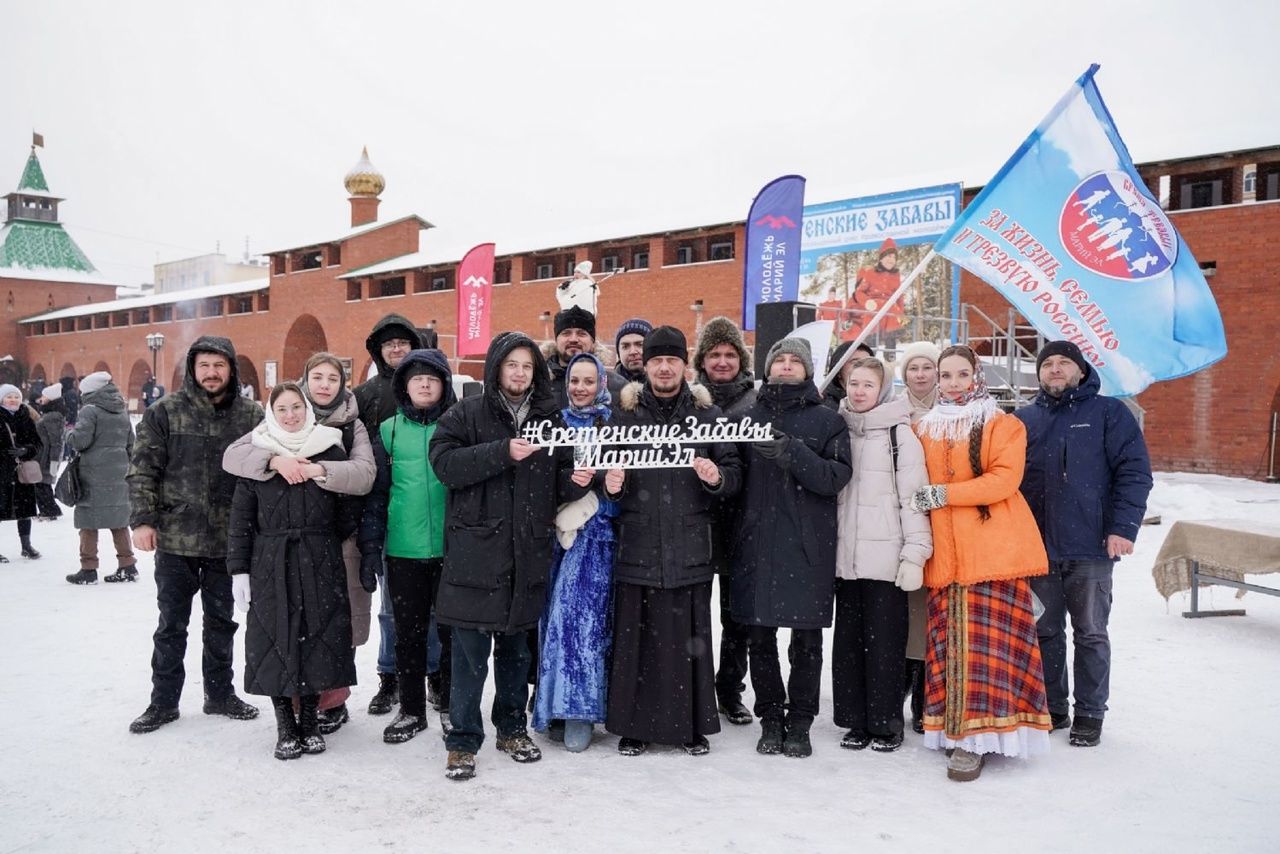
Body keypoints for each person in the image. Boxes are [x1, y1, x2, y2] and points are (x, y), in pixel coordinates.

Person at [429, 331, 587, 781]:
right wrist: (501, 452)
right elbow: (444, 465)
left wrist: (581, 481)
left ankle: (512, 728)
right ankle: (462, 741)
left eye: (527, 366)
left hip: (526, 554)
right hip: (475, 556)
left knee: (517, 654)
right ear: (497, 367)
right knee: (469, 658)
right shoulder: (466, 413)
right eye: (512, 364)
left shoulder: (551, 422)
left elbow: (559, 482)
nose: (519, 373)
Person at [910, 344, 1051, 781]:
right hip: (945, 556)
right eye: (945, 375)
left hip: (992, 552)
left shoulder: (1002, 424)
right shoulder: (924, 427)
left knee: (986, 654)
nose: (953, 383)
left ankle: (979, 739)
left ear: (977, 376)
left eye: (961, 374)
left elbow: (1003, 480)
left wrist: (943, 494)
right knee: (950, 648)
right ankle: (954, 729)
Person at [605, 326, 742, 756]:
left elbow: (734, 472)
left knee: (689, 640)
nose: (664, 368)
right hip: (639, 542)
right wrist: (612, 484)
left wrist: (717, 478)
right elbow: (605, 471)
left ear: (685, 365)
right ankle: (633, 725)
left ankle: (691, 725)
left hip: (689, 545)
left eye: (672, 360)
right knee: (636, 639)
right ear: (644, 366)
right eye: (656, 361)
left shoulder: (708, 416)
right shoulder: (623, 415)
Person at [222, 352, 376, 735]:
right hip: (273, 557)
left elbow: (360, 482)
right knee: (278, 632)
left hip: (324, 552)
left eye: (333, 378)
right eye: (317, 377)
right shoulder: (263, 440)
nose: (325, 384)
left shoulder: (343, 432)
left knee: (327, 631)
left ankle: (326, 706)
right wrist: (274, 461)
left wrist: (319, 474)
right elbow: (238, 487)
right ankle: (287, 716)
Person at [1015, 340, 1153, 748]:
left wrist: (1123, 527)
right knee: (1044, 630)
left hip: (1091, 546)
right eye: (1048, 364)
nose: (1055, 369)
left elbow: (1134, 473)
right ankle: (1053, 707)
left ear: (1080, 370)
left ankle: (1090, 713)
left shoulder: (1109, 413)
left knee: (1090, 632)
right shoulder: (1023, 419)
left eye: (1064, 362)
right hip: (1037, 548)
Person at [126, 336, 264, 734]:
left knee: (222, 622)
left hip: (228, 540)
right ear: (193, 369)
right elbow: (143, 468)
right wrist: (143, 520)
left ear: (231, 370)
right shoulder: (165, 412)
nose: (211, 373)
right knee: (171, 625)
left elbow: (264, 472)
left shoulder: (251, 415)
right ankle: (163, 701)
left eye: (219, 365)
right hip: (176, 538)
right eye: (204, 365)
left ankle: (219, 694)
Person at [731, 338, 851, 758]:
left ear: (807, 370)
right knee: (760, 639)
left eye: (793, 361)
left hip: (807, 546)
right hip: (756, 544)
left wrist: (792, 452)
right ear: (767, 369)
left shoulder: (829, 420)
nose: (785, 366)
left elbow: (834, 478)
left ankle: (800, 721)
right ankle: (769, 717)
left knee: (807, 643)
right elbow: (733, 480)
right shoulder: (746, 417)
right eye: (778, 360)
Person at [833, 357, 932, 753]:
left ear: (883, 390)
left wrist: (915, 554)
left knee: (885, 646)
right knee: (849, 645)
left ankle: (887, 723)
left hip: (887, 561)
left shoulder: (899, 435)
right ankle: (856, 720)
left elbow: (915, 500)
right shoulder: (837, 429)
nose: (859, 392)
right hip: (845, 560)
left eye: (868, 385)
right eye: (854, 383)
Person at [359, 349, 457, 745]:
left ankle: (450, 704)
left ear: (444, 385)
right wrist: (371, 547)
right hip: (403, 550)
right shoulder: (388, 431)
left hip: (453, 549)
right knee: (409, 634)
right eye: (417, 379)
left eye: (432, 379)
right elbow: (376, 495)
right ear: (404, 386)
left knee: (452, 633)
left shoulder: (458, 425)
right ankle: (412, 709)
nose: (425, 385)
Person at [533, 352, 618, 752]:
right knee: (552, 625)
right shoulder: (554, 423)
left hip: (595, 538)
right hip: (555, 539)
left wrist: (601, 491)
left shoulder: (614, 426)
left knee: (582, 626)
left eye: (588, 381)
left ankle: (579, 710)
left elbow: (623, 488)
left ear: (601, 383)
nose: (580, 388)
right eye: (574, 380)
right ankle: (553, 707)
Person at [354, 313, 424, 716]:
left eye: (403, 342)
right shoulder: (365, 395)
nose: (397, 349)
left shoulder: (431, 386)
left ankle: (432, 673)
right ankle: (390, 676)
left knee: (432, 607)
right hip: (384, 509)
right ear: (378, 351)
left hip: (425, 511)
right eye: (389, 344)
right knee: (390, 607)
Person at [692, 315, 757, 725]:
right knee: (695, 614)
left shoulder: (756, 401)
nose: (722, 361)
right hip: (698, 521)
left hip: (744, 523)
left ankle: (730, 690)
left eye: (730, 354)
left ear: (741, 360)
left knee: (737, 617)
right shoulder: (691, 401)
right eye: (714, 353)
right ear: (702, 359)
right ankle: (696, 687)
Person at [895, 339, 941, 732]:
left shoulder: (951, 412)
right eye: (914, 368)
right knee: (908, 612)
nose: (921, 374)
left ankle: (928, 693)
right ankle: (902, 686)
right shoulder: (893, 411)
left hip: (943, 517)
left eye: (927, 367)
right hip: (903, 520)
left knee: (932, 612)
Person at [62, 372, 137, 585]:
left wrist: (68, 434)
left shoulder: (90, 410)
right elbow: (131, 443)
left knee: (88, 521)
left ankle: (88, 569)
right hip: (119, 473)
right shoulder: (121, 409)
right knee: (119, 521)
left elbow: (80, 441)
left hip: (93, 474)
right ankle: (128, 565)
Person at [545, 305, 626, 400]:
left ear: (593, 342)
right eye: (566, 333)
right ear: (556, 341)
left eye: (581, 334)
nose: (573, 339)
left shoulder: (618, 387)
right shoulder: (538, 384)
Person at [0, 384, 41, 562]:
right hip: (2, 471)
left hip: (21, 472)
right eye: (9, 396)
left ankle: (26, 546)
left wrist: (26, 450)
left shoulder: (26, 417)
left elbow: (38, 444)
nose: (13, 400)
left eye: (16, 397)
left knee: (25, 510)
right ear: (1, 399)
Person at [31, 384, 65, 522]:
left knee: (42, 484)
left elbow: (56, 441)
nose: (41, 398)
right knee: (41, 484)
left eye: (44, 396)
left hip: (45, 456)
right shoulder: (50, 414)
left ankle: (50, 511)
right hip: (42, 455)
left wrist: (54, 461)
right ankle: (49, 510)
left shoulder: (53, 416)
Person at [612, 318, 652, 386]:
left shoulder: (668, 386)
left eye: (640, 345)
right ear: (619, 353)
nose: (632, 352)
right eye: (625, 346)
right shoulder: (605, 387)